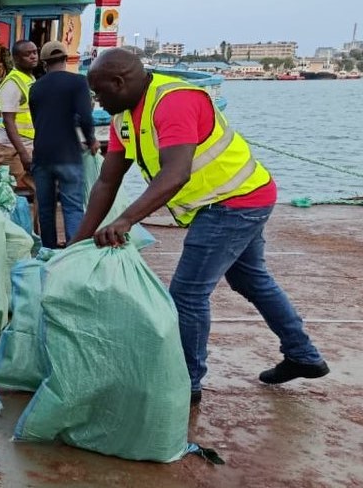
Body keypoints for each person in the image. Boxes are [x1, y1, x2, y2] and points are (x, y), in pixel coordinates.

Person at [74, 48, 329, 407]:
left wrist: (126, 219)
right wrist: (78, 242)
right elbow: (107, 181)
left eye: (100, 93)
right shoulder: (124, 117)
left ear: (120, 82)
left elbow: (175, 174)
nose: (98, 102)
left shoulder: (172, 102)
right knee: (250, 279)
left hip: (234, 202)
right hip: (235, 198)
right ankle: (303, 355)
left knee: (187, 295)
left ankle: (187, 381)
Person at [27, 41, 99, 249]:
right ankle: (74, 252)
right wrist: (91, 139)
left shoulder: (35, 88)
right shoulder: (78, 82)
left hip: (42, 155)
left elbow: (36, 121)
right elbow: (85, 116)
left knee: (46, 208)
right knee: (73, 206)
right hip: (68, 154)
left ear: (44, 63)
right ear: (66, 59)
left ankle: (48, 250)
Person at [0, 39, 38, 203]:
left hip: (27, 144)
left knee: (41, 190)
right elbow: (8, 121)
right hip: (13, 148)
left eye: (35, 52)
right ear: (16, 58)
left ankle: (38, 228)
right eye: (27, 54)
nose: (33, 57)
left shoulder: (29, 79)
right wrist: (23, 153)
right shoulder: (12, 83)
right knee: (5, 193)